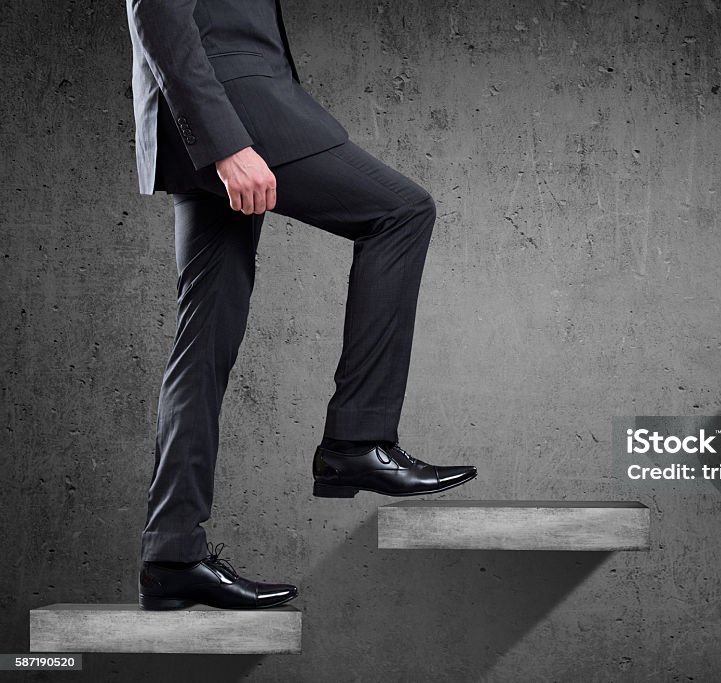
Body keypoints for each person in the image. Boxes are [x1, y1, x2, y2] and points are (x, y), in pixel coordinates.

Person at [127, 0, 477, 610]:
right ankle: (356, 444)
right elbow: (157, 9)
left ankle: (171, 555)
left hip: (206, 113)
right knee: (400, 212)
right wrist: (225, 143)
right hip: (232, 111)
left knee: (201, 344)